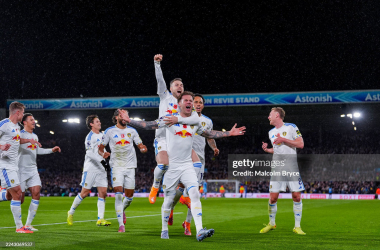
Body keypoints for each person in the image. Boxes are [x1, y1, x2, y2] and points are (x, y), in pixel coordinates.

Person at [117, 91, 246, 241]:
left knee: (195, 194)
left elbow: (209, 134)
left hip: (187, 166)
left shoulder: (195, 122)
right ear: (179, 103)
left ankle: (199, 230)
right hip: (172, 167)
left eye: (191, 100)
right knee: (168, 200)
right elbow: (149, 125)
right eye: (186, 100)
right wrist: (129, 120)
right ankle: (164, 229)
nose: (190, 102)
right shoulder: (169, 119)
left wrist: (228, 134)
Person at [149, 54, 202, 205]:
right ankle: (155, 187)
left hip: (179, 139)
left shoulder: (184, 105)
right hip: (163, 138)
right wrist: (157, 64)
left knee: (197, 164)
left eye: (182, 85)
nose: (180, 86)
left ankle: (187, 192)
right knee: (164, 164)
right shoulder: (165, 97)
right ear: (170, 88)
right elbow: (160, 80)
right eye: (177, 84)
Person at [98, 109, 147, 233]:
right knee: (118, 194)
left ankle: (122, 210)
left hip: (130, 166)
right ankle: (121, 225)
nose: (125, 117)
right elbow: (101, 148)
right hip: (116, 166)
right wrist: (103, 153)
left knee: (129, 197)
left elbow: (140, 145)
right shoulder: (109, 131)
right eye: (122, 115)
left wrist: (143, 149)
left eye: (127, 115)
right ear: (116, 118)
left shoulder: (132, 131)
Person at [261, 107, 306, 235]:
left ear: (277, 115)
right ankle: (271, 223)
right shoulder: (271, 132)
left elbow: (300, 144)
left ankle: (297, 226)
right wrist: (268, 150)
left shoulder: (291, 127)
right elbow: (277, 149)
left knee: (296, 196)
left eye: (270, 115)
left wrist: (284, 139)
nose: (268, 117)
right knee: (273, 197)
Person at [178, 94, 218, 235]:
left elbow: (209, 137)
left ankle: (187, 224)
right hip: (184, 156)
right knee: (184, 188)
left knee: (195, 193)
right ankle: (169, 209)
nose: (198, 104)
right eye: (195, 102)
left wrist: (214, 148)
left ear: (203, 105)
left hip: (199, 159)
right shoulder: (184, 117)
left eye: (200, 102)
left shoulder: (207, 121)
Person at [0, 102, 41, 233]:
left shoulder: (16, 126)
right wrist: (1, 146)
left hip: (14, 166)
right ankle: (19, 227)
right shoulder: (4, 124)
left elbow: (16, 140)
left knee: (11, 196)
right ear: (17, 112)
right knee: (17, 193)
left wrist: (28, 140)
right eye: (23, 112)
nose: (23, 115)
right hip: (5, 165)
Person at [19, 113, 61, 231]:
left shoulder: (35, 136)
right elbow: (14, 144)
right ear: (24, 122)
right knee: (20, 200)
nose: (33, 121)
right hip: (20, 170)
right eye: (31, 120)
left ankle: (28, 224)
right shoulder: (20, 135)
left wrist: (51, 150)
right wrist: (27, 141)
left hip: (32, 169)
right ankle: (4, 193)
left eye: (34, 120)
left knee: (36, 193)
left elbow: (38, 151)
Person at [67, 115, 111, 227]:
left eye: (99, 120)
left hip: (101, 168)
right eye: (97, 121)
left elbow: (101, 149)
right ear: (91, 124)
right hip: (91, 168)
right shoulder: (89, 137)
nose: (99, 122)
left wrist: (104, 155)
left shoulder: (102, 135)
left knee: (103, 193)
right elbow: (89, 153)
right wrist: (101, 160)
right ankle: (71, 212)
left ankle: (100, 219)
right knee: (85, 193)